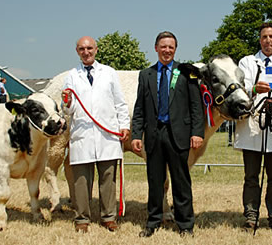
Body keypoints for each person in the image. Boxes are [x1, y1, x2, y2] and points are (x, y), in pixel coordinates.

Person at [131, 31, 204, 238]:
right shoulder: (146, 75)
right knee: (155, 181)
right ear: (156, 48)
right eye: (163, 46)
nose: (167, 50)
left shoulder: (187, 72)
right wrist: (136, 134)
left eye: (171, 47)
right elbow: (139, 109)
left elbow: (196, 106)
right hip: (154, 135)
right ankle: (153, 222)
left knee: (181, 182)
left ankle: (186, 224)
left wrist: (197, 132)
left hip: (179, 135)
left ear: (175, 49)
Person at [62, 36, 130, 233]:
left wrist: (124, 125)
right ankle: (82, 218)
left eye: (89, 48)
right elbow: (68, 109)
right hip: (82, 134)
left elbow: (119, 102)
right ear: (77, 51)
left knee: (108, 179)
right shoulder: (72, 75)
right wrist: (67, 102)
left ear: (96, 50)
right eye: (82, 49)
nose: (86, 52)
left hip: (107, 135)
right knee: (81, 181)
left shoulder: (109, 73)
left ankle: (108, 217)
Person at [234, 22, 272, 235]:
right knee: (251, 176)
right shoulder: (246, 62)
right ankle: (250, 217)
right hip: (252, 126)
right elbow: (239, 89)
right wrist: (253, 89)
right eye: (264, 37)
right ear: (259, 40)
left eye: (271, 36)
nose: (268, 40)